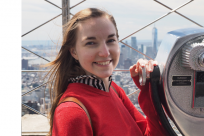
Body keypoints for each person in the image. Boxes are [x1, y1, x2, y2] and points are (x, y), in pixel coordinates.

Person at [45, 8, 168, 136]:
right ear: (74, 52)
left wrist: (149, 88)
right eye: (91, 43)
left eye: (110, 40)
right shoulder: (72, 112)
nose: (105, 52)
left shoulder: (113, 89)